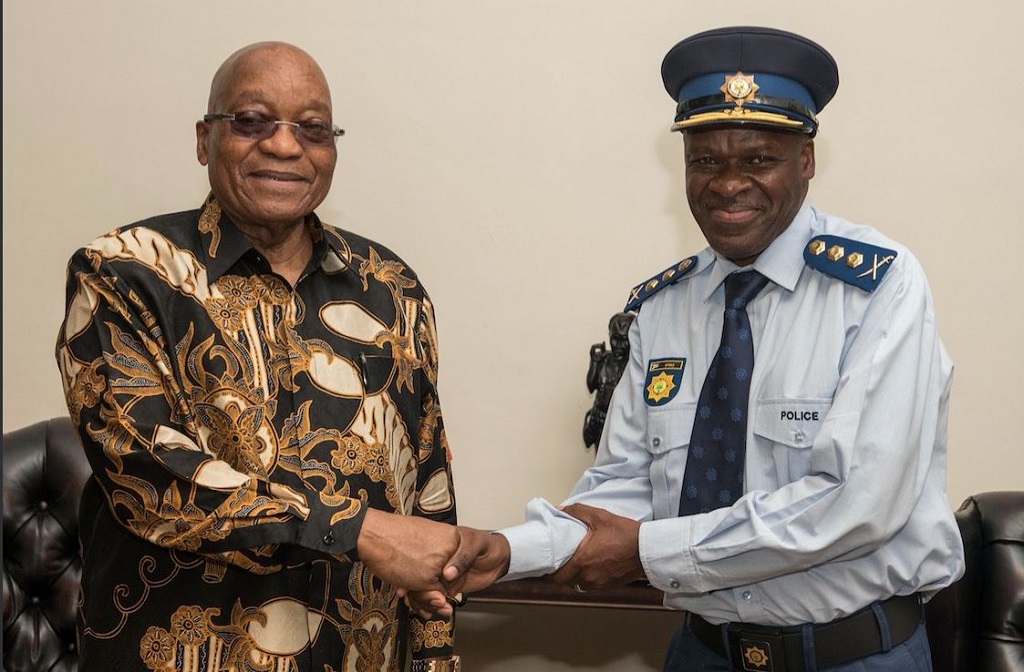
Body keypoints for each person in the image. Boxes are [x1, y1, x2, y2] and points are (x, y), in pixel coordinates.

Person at [440, 26, 966, 672]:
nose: (728, 184)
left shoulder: (878, 287)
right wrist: (505, 550)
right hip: (704, 651)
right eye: (706, 161)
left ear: (805, 160)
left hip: (853, 654)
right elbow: (622, 484)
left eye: (758, 160)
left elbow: (857, 505)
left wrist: (647, 551)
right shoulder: (664, 307)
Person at [56, 41, 462, 672]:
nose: (284, 145)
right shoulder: (126, 273)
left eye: (313, 128)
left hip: (361, 653)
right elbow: (150, 476)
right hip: (185, 652)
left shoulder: (392, 288)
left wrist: (435, 652)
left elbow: (427, 486)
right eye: (251, 121)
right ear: (204, 140)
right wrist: (358, 530)